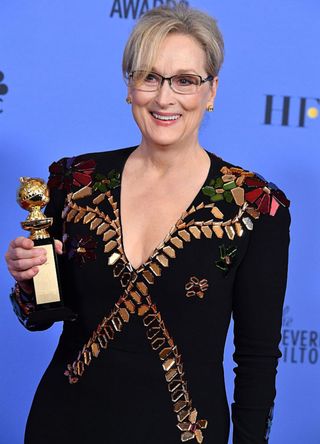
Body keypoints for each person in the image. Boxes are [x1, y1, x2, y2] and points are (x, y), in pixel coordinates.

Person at [5, 4, 290, 444]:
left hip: (184, 433)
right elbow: (40, 317)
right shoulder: (75, 181)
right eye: (149, 77)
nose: (164, 98)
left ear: (211, 91)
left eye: (185, 80)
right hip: (63, 424)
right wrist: (29, 282)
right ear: (130, 87)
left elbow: (257, 357)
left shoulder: (254, 205)